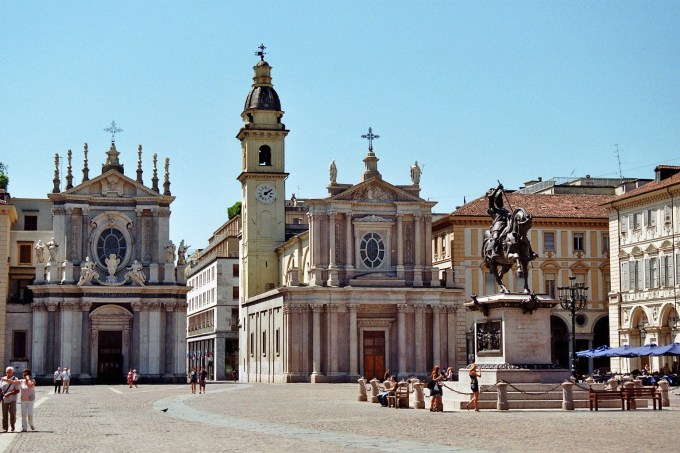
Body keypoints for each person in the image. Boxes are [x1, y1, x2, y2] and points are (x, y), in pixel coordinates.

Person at [486, 183, 510, 258]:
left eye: (501, 199)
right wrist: (497, 188)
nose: (500, 201)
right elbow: (490, 197)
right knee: (496, 237)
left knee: (519, 236)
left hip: (508, 226)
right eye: (498, 200)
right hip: (498, 227)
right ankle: (493, 251)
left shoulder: (506, 211)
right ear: (495, 202)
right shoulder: (493, 209)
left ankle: (530, 252)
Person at [1, 367, 20, 432]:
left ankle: (12, 426)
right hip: (4, 399)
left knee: (12, 412)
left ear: (12, 372)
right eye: (7, 372)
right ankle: (5, 428)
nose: (8, 373)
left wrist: (10, 393)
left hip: (13, 399)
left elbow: (17, 390)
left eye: (9, 372)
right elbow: (0, 389)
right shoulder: (3, 379)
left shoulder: (15, 379)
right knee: (4, 414)